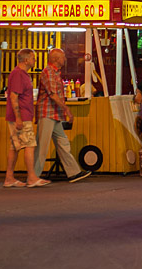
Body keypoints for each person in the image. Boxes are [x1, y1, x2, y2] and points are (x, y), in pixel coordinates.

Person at [34, 48, 91, 182]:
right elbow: (53, 94)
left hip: (54, 114)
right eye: (63, 57)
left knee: (63, 143)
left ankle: (73, 172)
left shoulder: (55, 73)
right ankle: (34, 176)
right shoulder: (48, 72)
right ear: (56, 59)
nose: (65, 59)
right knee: (42, 146)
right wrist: (67, 110)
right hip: (47, 113)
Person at [3, 48, 48, 188]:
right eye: (33, 58)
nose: (35, 60)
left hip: (21, 114)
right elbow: (13, 96)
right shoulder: (18, 74)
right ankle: (32, 177)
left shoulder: (22, 74)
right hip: (21, 115)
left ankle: (9, 177)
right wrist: (18, 118)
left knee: (15, 147)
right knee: (29, 145)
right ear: (26, 60)